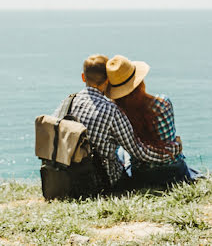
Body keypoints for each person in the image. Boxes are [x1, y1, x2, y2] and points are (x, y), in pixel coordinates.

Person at [53, 54, 180, 190]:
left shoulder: (66, 103)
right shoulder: (111, 111)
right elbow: (139, 151)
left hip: (65, 177)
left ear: (83, 77)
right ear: (108, 81)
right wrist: (172, 150)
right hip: (101, 181)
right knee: (121, 149)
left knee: (120, 149)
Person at [105, 55, 200, 186]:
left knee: (122, 151)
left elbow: (138, 151)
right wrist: (174, 149)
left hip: (143, 177)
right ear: (140, 82)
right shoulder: (163, 103)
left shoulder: (117, 113)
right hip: (174, 171)